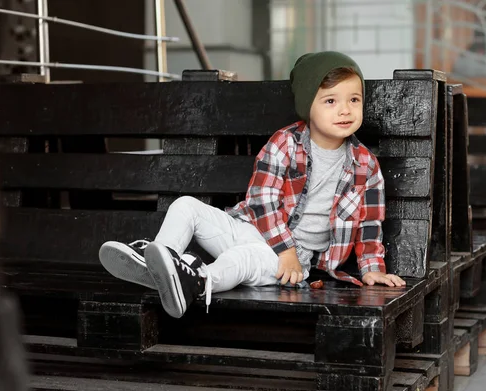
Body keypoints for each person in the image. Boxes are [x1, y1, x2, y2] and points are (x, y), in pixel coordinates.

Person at [98, 51, 406, 319]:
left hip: (290, 263)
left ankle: (198, 281)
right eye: (330, 100)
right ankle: (162, 261)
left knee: (241, 260)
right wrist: (281, 246)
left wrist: (371, 269)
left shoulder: (365, 165)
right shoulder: (285, 143)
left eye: (354, 99)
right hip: (250, 228)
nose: (345, 110)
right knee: (185, 206)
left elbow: (369, 224)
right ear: (306, 107)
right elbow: (262, 200)